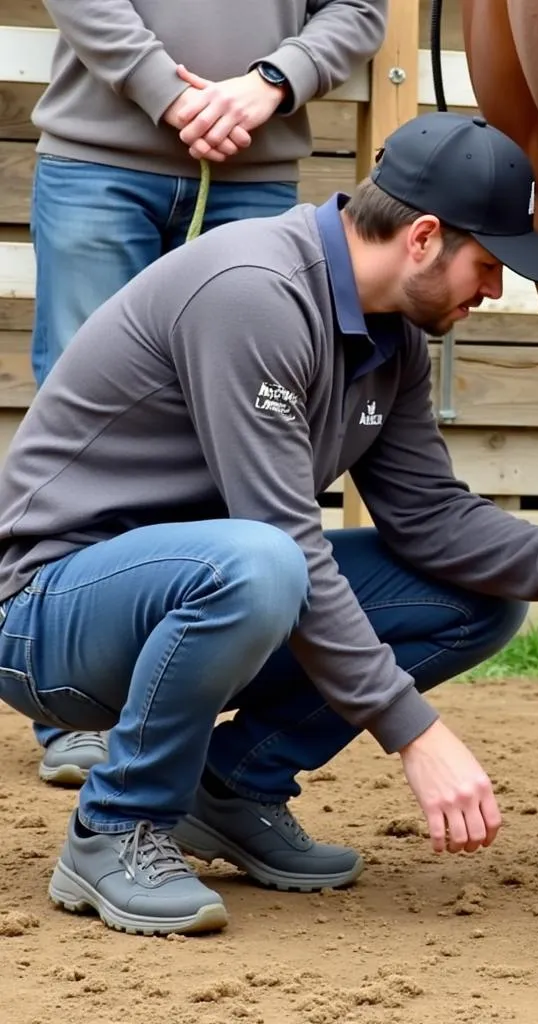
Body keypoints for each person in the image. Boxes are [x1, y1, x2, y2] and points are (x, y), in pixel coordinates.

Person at [0, 110, 538, 937]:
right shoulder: (254, 293)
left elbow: (432, 519)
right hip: (47, 617)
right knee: (264, 562)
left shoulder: (393, 338)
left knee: (479, 596)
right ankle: (115, 829)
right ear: (423, 237)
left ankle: (232, 788)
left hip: (197, 594)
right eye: (488, 265)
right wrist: (417, 736)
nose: (493, 292)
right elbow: (282, 539)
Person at [27, 0, 388, 784]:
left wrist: (271, 83)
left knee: (234, 435)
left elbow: (359, 8)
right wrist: (170, 91)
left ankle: (165, 705)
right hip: (99, 161)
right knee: (88, 415)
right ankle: (70, 709)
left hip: (249, 167)